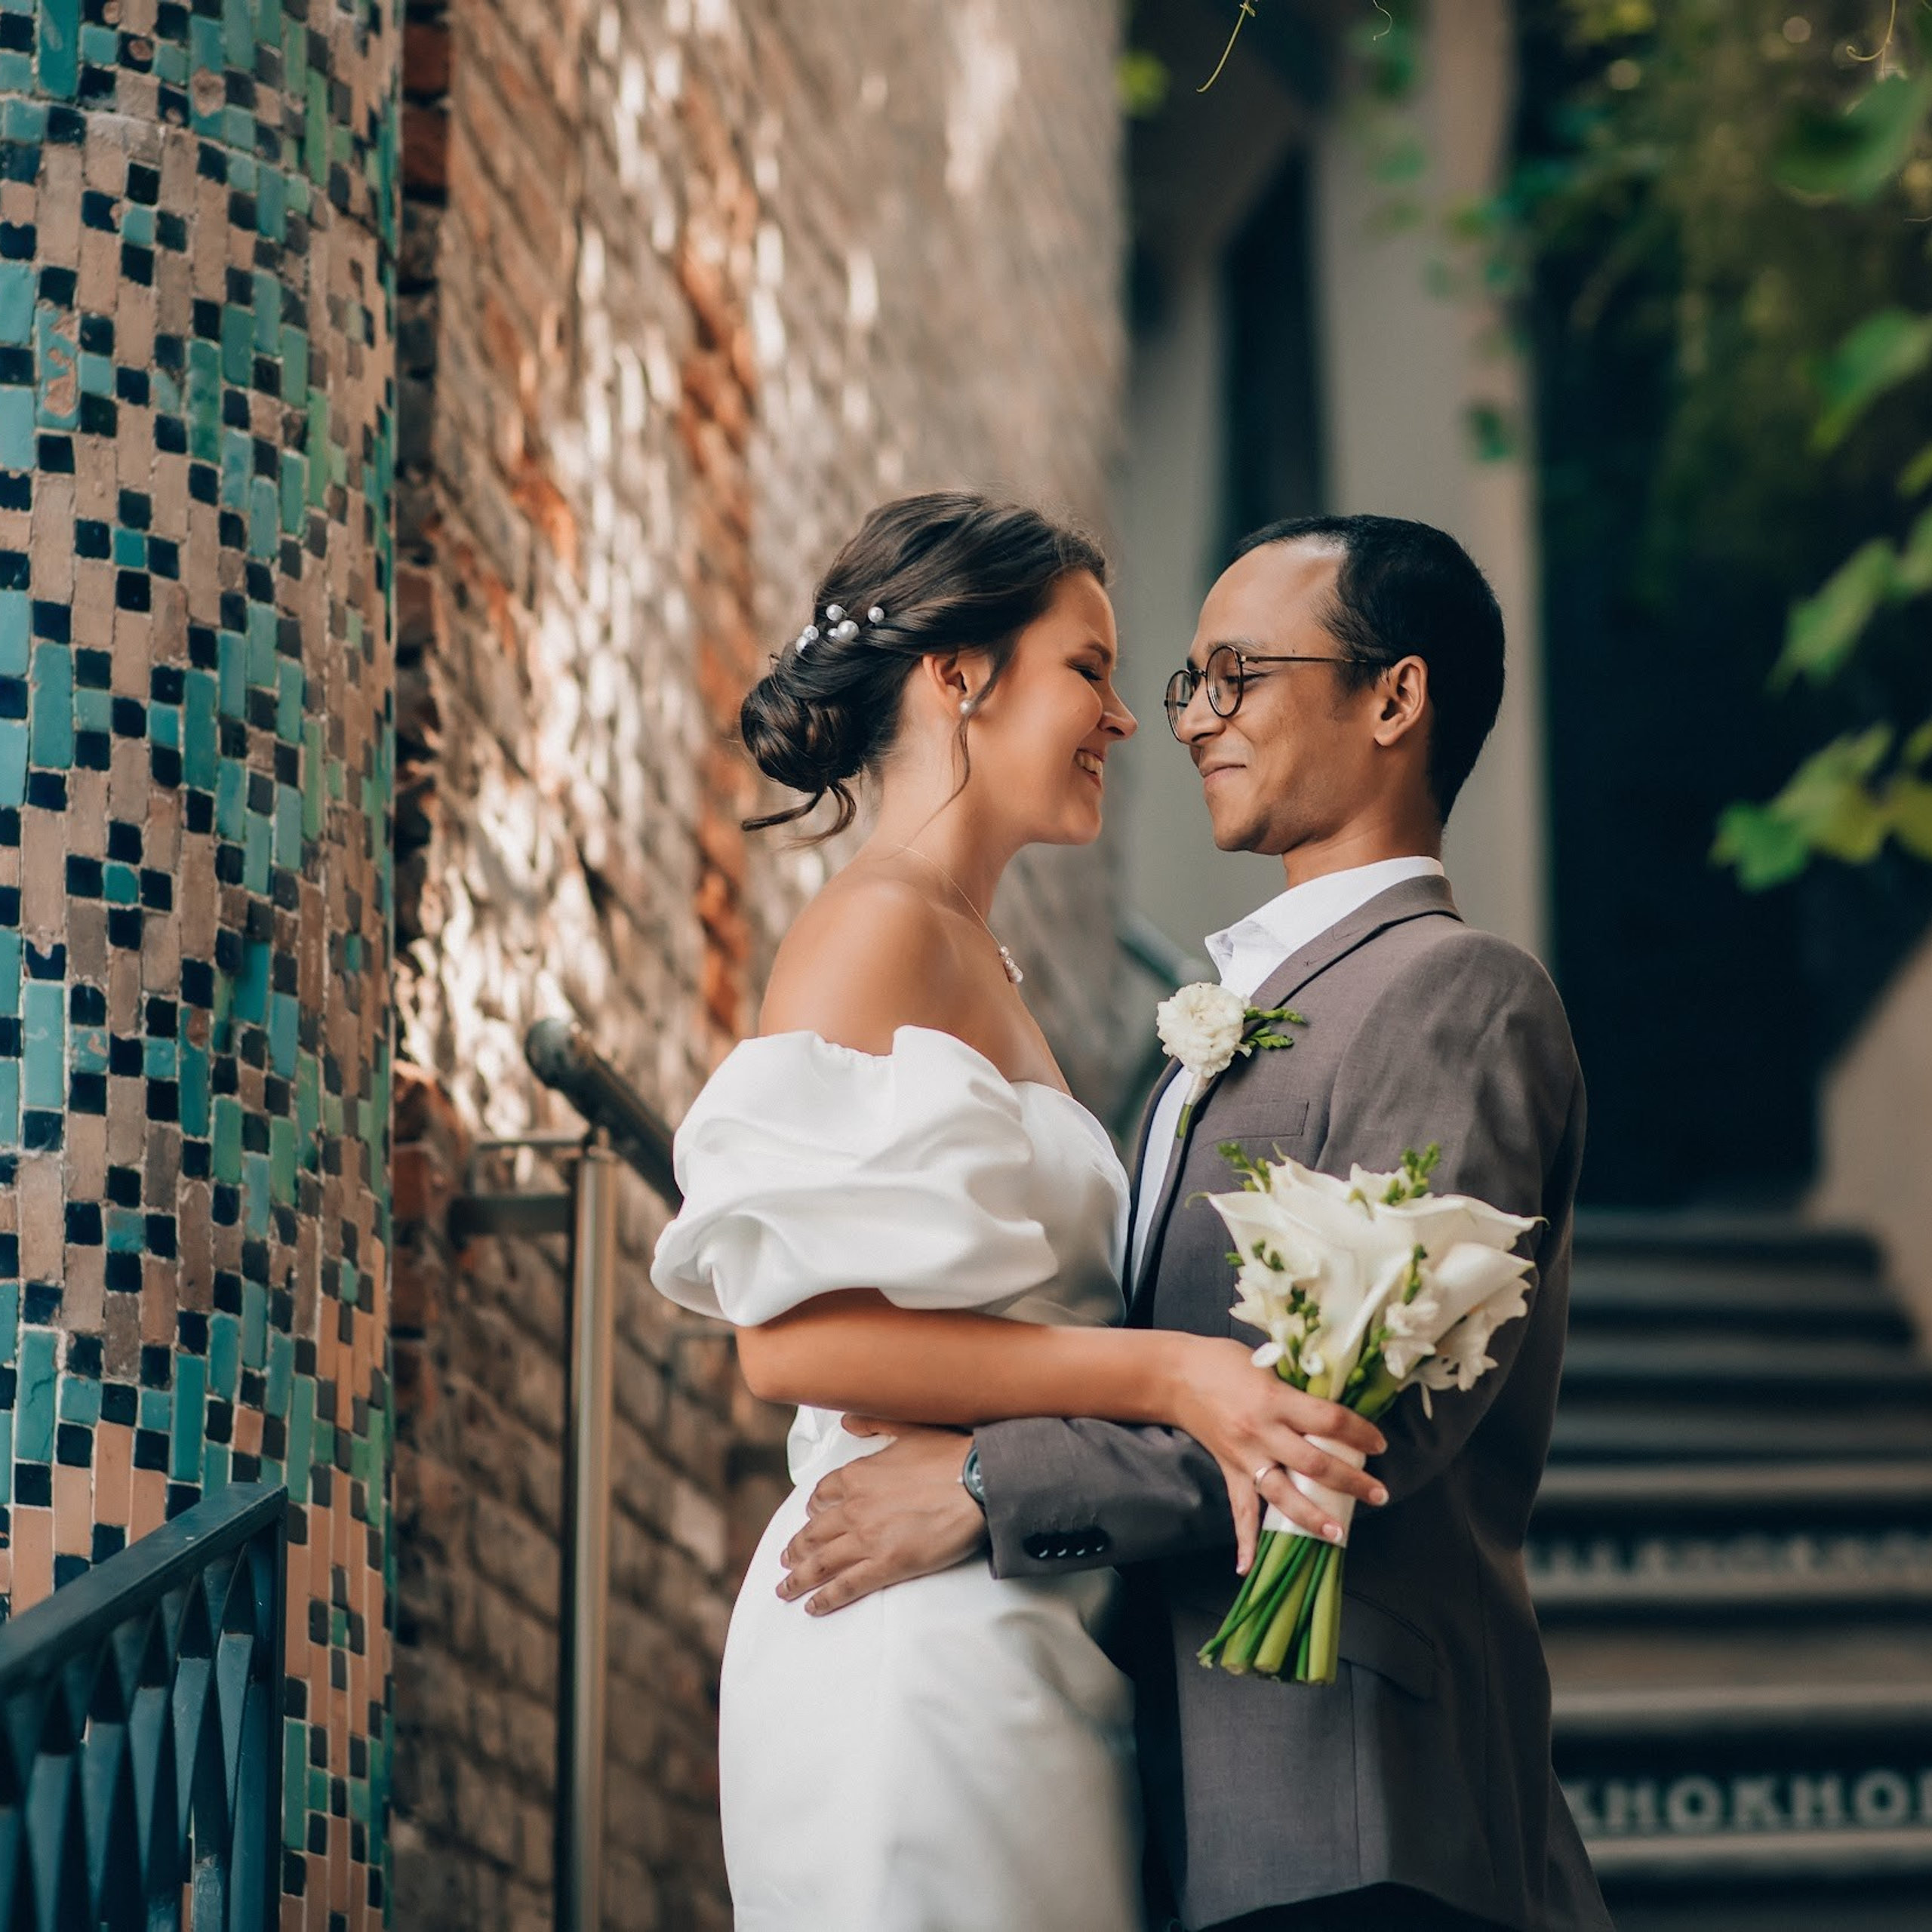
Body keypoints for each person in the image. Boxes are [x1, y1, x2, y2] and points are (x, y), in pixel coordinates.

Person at [775, 515, 1617, 1932]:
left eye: (1239, 675)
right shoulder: (1221, 1031)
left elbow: (1356, 1426)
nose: (1188, 720)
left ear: (1395, 699)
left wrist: (988, 1487)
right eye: (1188, 683)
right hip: (1186, 1787)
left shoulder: (1459, 993)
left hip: (1359, 1800)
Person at [649, 492, 1389, 1932]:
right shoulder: (872, 930)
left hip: (1017, 1612)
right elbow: (791, 1347)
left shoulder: (972, 951)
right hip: (908, 1656)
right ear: (957, 677)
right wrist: (1179, 1377)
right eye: (1090, 668)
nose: (1130, 718)